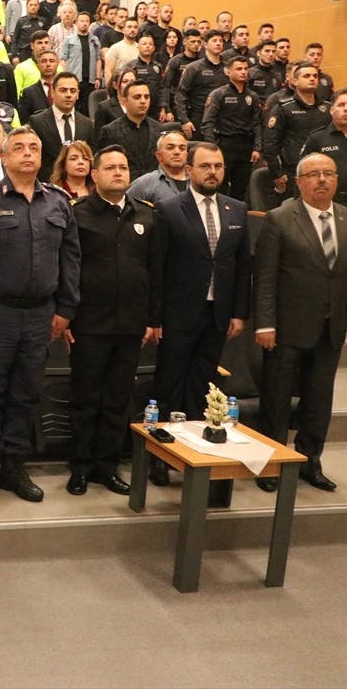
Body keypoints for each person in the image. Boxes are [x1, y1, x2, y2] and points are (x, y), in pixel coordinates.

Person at [0, 126, 80, 504]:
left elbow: (71, 260)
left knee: (26, 393)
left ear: (42, 157)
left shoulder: (58, 202)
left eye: (33, 148)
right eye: (18, 148)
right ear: (4, 158)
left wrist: (67, 309)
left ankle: (14, 464)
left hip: (42, 315)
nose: (26, 153)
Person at [252, 153, 347, 493]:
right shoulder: (279, 219)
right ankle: (270, 463)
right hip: (285, 328)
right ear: (298, 182)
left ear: (337, 180)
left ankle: (309, 460)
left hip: (330, 329)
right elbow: (266, 278)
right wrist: (265, 324)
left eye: (328, 173)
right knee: (277, 399)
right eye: (313, 174)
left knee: (319, 400)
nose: (322, 180)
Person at [152, 143, 251, 484]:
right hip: (177, 313)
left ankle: (193, 453)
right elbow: (158, 268)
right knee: (169, 385)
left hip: (218, 314)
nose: (213, 171)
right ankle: (160, 457)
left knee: (202, 388)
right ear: (189, 170)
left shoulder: (237, 209)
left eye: (219, 166)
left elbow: (241, 267)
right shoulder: (168, 209)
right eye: (206, 165)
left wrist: (239, 312)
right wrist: (156, 317)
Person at [65, 145, 161, 495]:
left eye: (123, 167)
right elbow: (69, 271)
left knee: (118, 400)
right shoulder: (78, 214)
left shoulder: (146, 215)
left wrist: (153, 318)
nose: (118, 172)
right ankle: (80, 466)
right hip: (89, 324)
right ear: (95, 174)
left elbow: (155, 271)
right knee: (86, 398)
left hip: (131, 325)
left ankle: (107, 465)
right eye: (110, 168)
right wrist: (67, 318)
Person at [263, 61, 332, 195]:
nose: (312, 79)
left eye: (315, 76)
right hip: (293, 171)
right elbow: (271, 144)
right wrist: (277, 173)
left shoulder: (327, 108)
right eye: (306, 76)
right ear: (295, 81)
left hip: (323, 170)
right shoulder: (283, 108)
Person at [201, 55, 262, 201]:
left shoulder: (252, 96)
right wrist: (212, 148)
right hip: (225, 144)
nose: (243, 72)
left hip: (246, 146)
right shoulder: (219, 94)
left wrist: (257, 148)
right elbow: (208, 122)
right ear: (228, 72)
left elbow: (257, 124)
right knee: (220, 187)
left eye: (246, 69)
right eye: (239, 69)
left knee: (240, 189)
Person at [301, 88, 347, 211]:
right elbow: (303, 175)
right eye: (341, 105)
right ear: (331, 110)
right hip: (329, 204)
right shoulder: (317, 138)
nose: (346, 109)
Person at [27, 72, 96, 181]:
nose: (68, 94)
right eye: (63, 90)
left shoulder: (87, 124)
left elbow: (91, 157)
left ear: (78, 94)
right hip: (47, 186)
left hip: (79, 186)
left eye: (73, 91)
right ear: (53, 93)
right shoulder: (37, 122)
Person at [98, 79, 163, 181]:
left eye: (146, 97)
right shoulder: (110, 130)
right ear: (124, 102)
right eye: (137, 97)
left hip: (155, 188)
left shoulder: (159, 129)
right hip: (124, 187)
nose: (143, 101)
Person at [127, 130, 190, 205]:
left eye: (182, 148)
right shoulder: (144, 184)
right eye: (170, 148)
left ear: (186, 155)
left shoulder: (198, 180)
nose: (177, 152)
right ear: (159, 156)